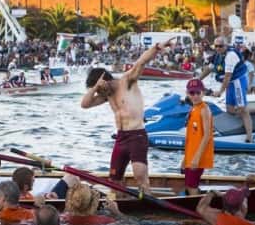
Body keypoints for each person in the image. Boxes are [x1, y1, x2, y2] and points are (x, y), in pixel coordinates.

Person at [81, 40, 172, 194]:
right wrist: (96, 87)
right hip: (121, 138)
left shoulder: (126, 82)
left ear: (106, 80)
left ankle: (148, 210)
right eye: (97, 91)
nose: (99, 94)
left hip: (137, 135)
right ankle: (120, 207)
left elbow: (141, 62)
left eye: (99, 89)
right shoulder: (106, 94)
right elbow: (84, 104)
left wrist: (157, 48)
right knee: (114, 181)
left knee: (140, 177)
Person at [197, 37, 252, 142]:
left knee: (242, 110)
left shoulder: (230, 56)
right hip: (230, 83)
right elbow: (209, 69)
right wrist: (197, 80)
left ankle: (249, 136)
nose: (218, 48)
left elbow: (227, 76)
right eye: (216, 46)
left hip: (238, 82)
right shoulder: (217, 55)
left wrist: (220, 92)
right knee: (230, 110)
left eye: (220, 46)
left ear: (226, 46)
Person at [182, 78, 214, 195]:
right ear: (187, 93)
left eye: (198, 93)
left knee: (192, 185)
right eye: (192, 93)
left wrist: (196, 158)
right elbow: (190, 138)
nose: (195, 96)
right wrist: (185, 159)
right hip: (191, 155)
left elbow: (207, 135)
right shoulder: (193, 109)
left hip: (197, 157)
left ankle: (196, 209)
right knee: (188, 184)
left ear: (203, 92)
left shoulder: (204, 110)